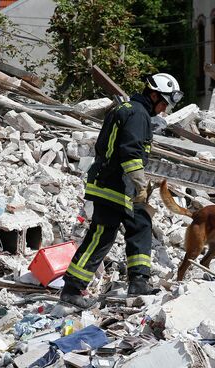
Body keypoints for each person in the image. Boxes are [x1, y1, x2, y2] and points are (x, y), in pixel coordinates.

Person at [60, 73, 183, 309]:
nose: (164, 110)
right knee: (102, 236)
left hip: (119, 184)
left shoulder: (131, 109)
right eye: (164, 103)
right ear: (154, 95)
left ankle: (139, 282)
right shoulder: (137, 114)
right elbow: (131, 152)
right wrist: (140, 184)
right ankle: (72, 289)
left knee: (141, 224)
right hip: (113, 184)